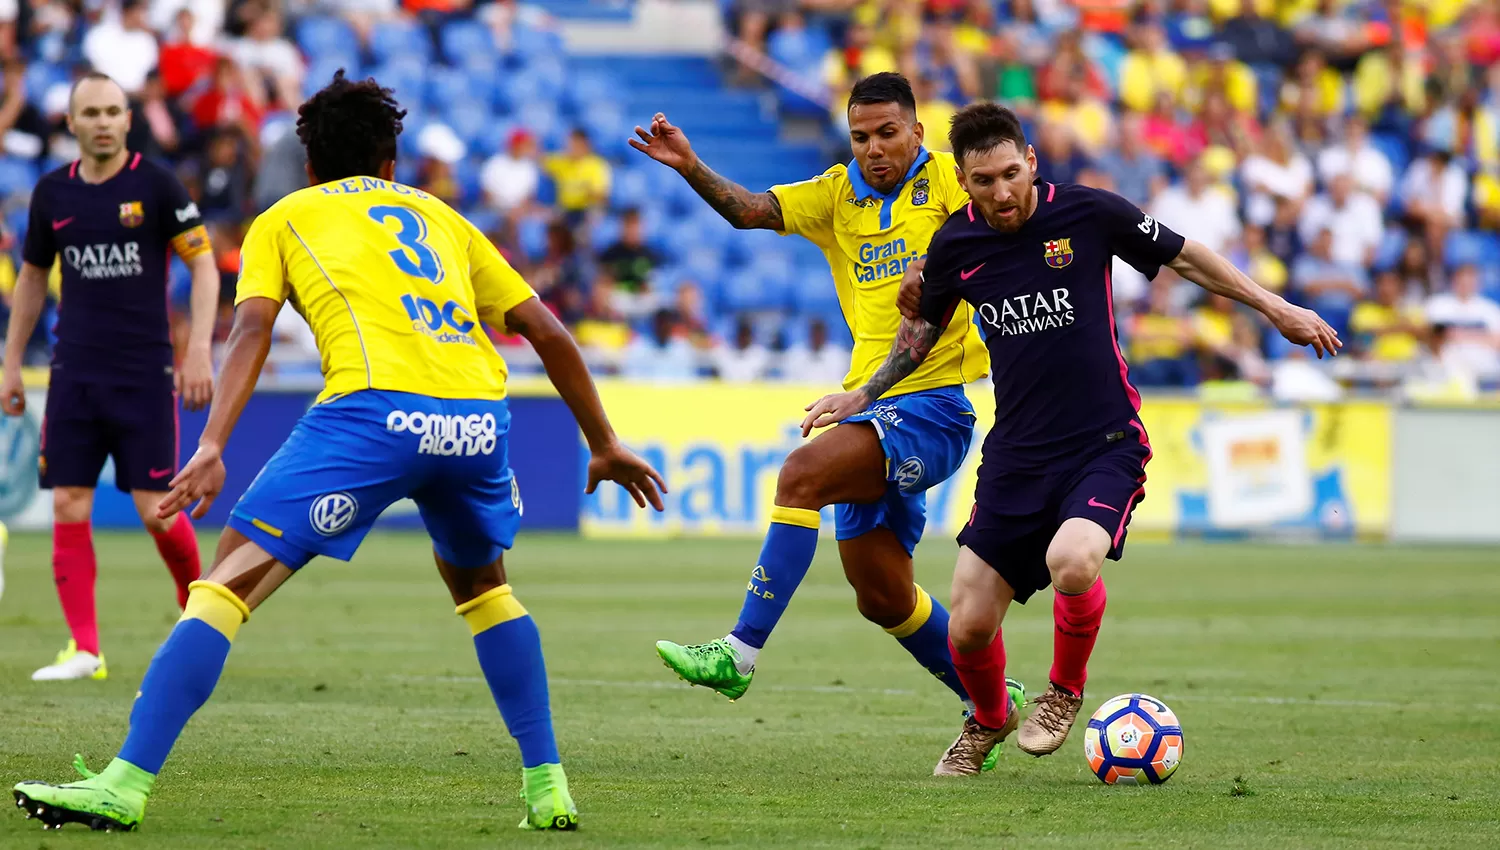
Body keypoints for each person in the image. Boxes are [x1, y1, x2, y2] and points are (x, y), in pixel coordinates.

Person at [10, 70, 665, 834]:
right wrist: (605, 442)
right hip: (479, 421)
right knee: (485, 588)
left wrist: (215, 441)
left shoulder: (286, 217)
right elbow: (546, 331)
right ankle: (548, 785)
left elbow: (250, 329)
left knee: (224, 580)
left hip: (375, 414)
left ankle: (124, 782)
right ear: (392, 162)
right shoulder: (441, 216)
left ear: (310, 163)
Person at [803, 102, 1340, 775]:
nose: (1001, 193)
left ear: (1030, 161)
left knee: (1074, 560)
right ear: (962, 184)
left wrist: (1277, 308)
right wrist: (863, 393)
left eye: (1009, 174)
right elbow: (922, 332)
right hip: (1017, 454)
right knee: (968, 624)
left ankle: (1062, 692)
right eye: (982, 182)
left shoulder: (1087, 213)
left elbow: (1187, 257)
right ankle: (990, 718)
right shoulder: (955, 245)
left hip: (1102, 440)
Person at [631, 73, 1022, 727]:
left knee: (801, 475)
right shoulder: (839, 195)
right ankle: (992, 700)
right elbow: (750, 210)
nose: (874, 148)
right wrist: (691, 166)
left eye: (888, 134)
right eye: (861, 136)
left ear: (917, 133)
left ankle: (738, 652)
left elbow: (1009, 218)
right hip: (871, 407)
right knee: (882, 595)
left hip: (936, 404)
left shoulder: (954, 182)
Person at [2, 71, 219, 682]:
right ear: (71, 124)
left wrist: (198, 348)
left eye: (112, 111)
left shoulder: (155, 184)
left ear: (128, 120)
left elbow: (203, 267)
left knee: (157, 510)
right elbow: (31, 278)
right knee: (69, 501)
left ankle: (198, 612)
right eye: (89, 112)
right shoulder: (52, 194)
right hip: (73, 372)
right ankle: (86, 649)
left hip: (143, 373)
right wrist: (12, 363)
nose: (102, 122)